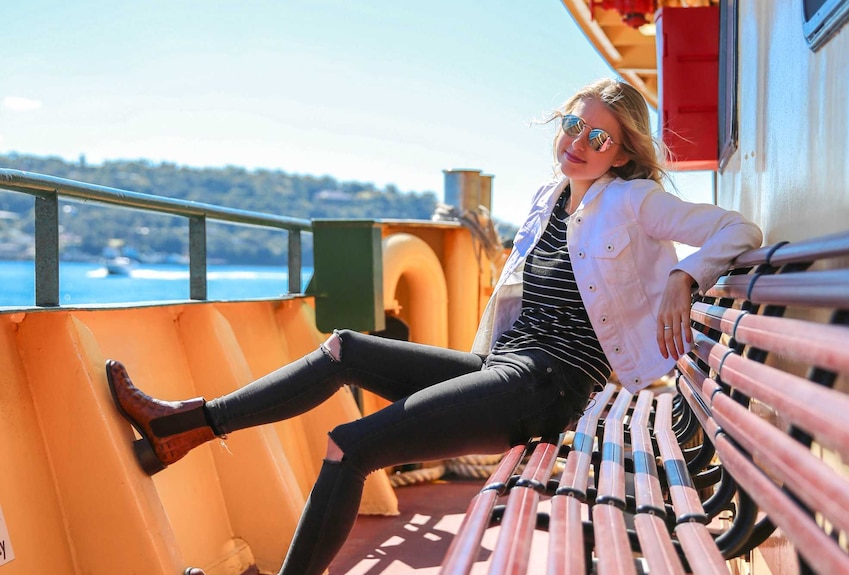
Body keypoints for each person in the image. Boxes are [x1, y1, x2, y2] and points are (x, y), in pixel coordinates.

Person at [106, 77, 763, 575]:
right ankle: (183, 427)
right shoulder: (546, 199)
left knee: (350, 443)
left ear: (622, 154)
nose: (578, 142)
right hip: (504, 368)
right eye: (573, 124)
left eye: (598, 137)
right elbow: (513, 308)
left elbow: (739, 229)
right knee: (341, 347)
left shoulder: (634, 200)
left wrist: (684, 278)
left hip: (552, 385)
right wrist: (471, 374)